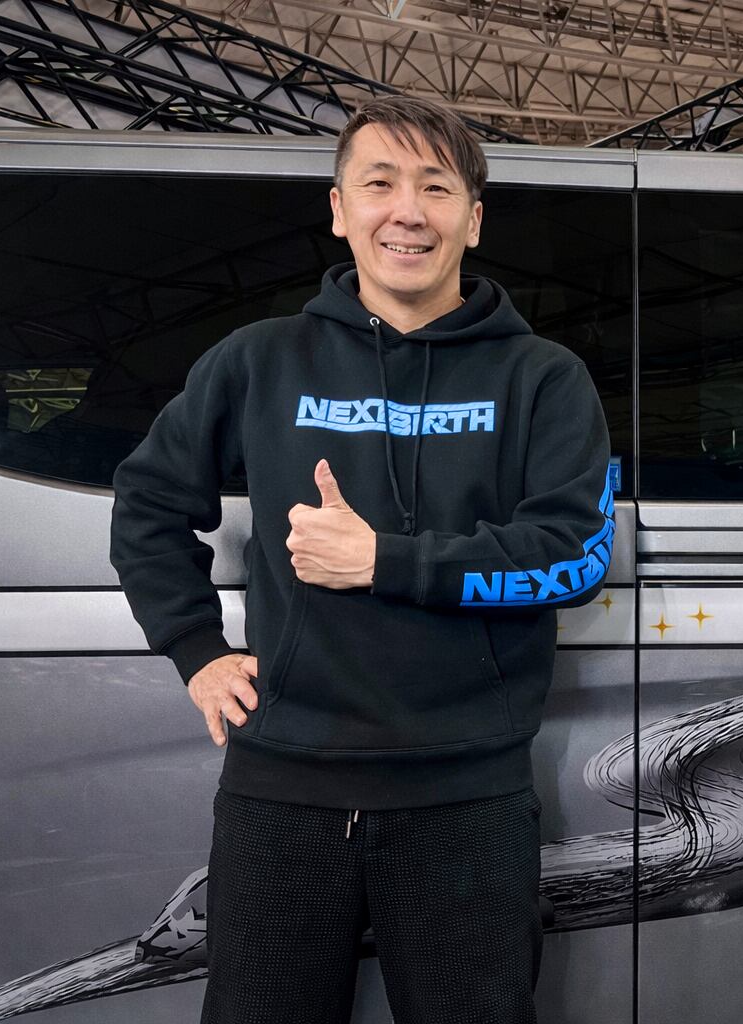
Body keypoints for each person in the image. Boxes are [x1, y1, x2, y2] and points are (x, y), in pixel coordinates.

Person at [109, 94, 614, 1024]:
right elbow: (147, 502)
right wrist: (196, 650)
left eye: (436, 187)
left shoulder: (543, 378)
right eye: (380, 184)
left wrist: (386, 560)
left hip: (466, 794)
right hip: (283, 792)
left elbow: (575, 558)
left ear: (473, 219)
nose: (407, 211)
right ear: (341, 210)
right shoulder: (258, 361)